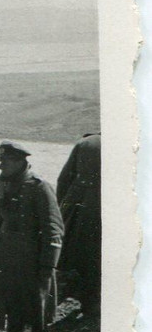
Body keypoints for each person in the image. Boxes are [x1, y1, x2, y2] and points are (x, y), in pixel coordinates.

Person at [0, 141, 64, 332]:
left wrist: (49, 264)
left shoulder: (39, 187)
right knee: (11, 300)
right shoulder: (6, 184)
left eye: (4, 162)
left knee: (38, 304)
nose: (0, 167)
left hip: (33, 258)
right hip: (8, 256)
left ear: (19, 161)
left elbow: (54, 228)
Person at [56, 132, 102, 318]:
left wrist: (62, 207)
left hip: (78, 205)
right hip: (107, 206)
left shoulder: (86, 143)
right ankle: (92, 304)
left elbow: (64, 179)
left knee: (70, 253)